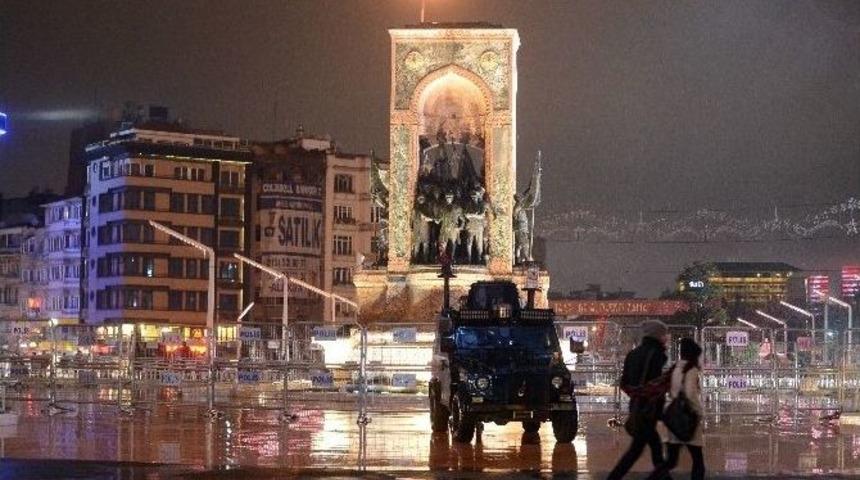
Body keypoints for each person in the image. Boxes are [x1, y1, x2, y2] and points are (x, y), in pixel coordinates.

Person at [607, 319, 671, 480]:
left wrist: (636, 395)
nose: (667, 337)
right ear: (657, 335)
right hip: (648, 409)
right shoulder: (656, 354)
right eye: (664, 334)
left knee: (651, 448)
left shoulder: (633, 354)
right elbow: (654, 384)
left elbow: (625, 382)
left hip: (637, 406)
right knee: (638, 450)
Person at [646, 338, 705, 480]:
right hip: (688, 416)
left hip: (674, 416)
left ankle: (652, 478)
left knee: (671, 460)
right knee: (698, 459)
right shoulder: (691, 370)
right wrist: (699, 412)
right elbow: (690, 393)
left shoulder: (675, 368)